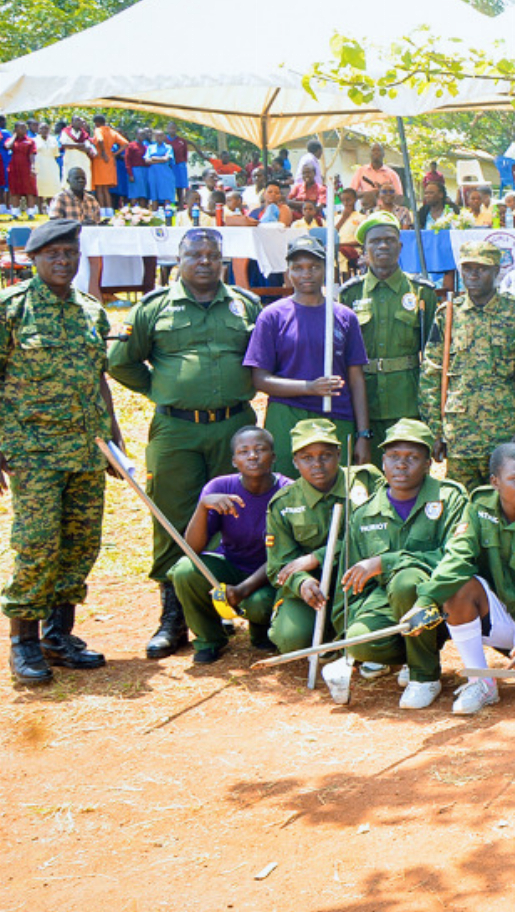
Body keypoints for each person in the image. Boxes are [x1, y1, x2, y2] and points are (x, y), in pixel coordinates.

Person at [109, 229, 263, 659]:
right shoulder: (154, 307)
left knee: (234, 516)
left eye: (213, 255)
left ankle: (222, 605)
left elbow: (262, 358)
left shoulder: (245, 305)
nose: (204, 261)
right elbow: (122, 363)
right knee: (173, 517)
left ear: (222, 259)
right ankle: (173, 618)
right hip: (176, 431)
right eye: (194, 254)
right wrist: (165, 390)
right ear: (178, 258)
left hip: (234, 427)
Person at [0, 219, 122, 684]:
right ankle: (23, 642)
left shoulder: (91, 310)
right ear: (34, 259)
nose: (62, 261)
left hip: (87, 450)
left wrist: (113, 436)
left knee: (80, 544)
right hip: (33, 451)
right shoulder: (12, 308)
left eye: (70, 253)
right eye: (52, 254)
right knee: (37, 546)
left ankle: (58, 635)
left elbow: (99, 378)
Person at [400, 443, 515, 715]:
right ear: (495, 482)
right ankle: (481, 682)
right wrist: (427, 600)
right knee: (458, 588)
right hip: (503, 615)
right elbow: (457, 557)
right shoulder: (480, 508)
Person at [322, 419, 467, 709]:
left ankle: (424, 676)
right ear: (383, 462)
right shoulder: (364, 514)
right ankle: (412, 656)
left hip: (443, 603)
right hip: (385, 603)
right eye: (393, 457)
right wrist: (349, 628)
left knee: (406, 582)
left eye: (412, 458)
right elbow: (349, 586)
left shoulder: (449, 498)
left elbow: (456, 557)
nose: (401, 465)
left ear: (428, 463)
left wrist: (385, 562)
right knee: (359, 640)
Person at [259, 419, 386, 686]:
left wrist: (318, 555)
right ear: (294, 462)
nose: (317, 465)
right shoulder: (284, 503)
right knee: (291, 640)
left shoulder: (365, 482)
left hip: (359, 579)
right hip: (312, 589)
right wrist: (302, 581)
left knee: (369, 634)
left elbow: (378, 533)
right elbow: (278, 565)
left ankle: (350, 637)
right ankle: (329, 633)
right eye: (307, 458)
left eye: (326, 456)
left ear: (339, 455)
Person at [247, 237, 371, 477]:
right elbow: (260, 379)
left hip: (336, 414)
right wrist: (309, 387)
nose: (307, 274)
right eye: (298, 268)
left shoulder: (344, 316)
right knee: (287, 487)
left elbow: (356, 379)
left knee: (334, 487)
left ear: (326, 269)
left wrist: (363, 434)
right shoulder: (272, 316)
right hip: (288, 414)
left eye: (314, 267)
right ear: (288, 272)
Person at [172, 426, 286, 664]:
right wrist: (203, 507)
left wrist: (242, 590)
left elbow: (281, 558)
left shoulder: (288, 492)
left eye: (260, 450)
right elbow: (191, 549)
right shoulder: (219, 487)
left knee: (259, 604)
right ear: (234, 461)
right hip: (231, 564)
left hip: (270, 574)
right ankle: (209, 639)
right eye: (244, 451)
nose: (252, 456)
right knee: (184, 570)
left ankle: (261, 629)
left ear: (273, 457)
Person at [419, 241, 515, 491]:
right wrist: (436, 431)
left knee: (506, 503)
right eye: (468, 268)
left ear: (496, 271)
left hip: (504, 432)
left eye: (482, 268)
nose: (474, 275)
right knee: (463, 509)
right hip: (460, 436)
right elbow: (431, 374)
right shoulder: (448, 315)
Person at [341, 212, 441, 432]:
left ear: (400, 246)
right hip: (364, 402)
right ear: (364, 250)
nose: (383, 246)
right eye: (375, 241)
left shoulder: (422, 291)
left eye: (389, 240)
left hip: (407, 401)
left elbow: (435, 354)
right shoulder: (349, 294)